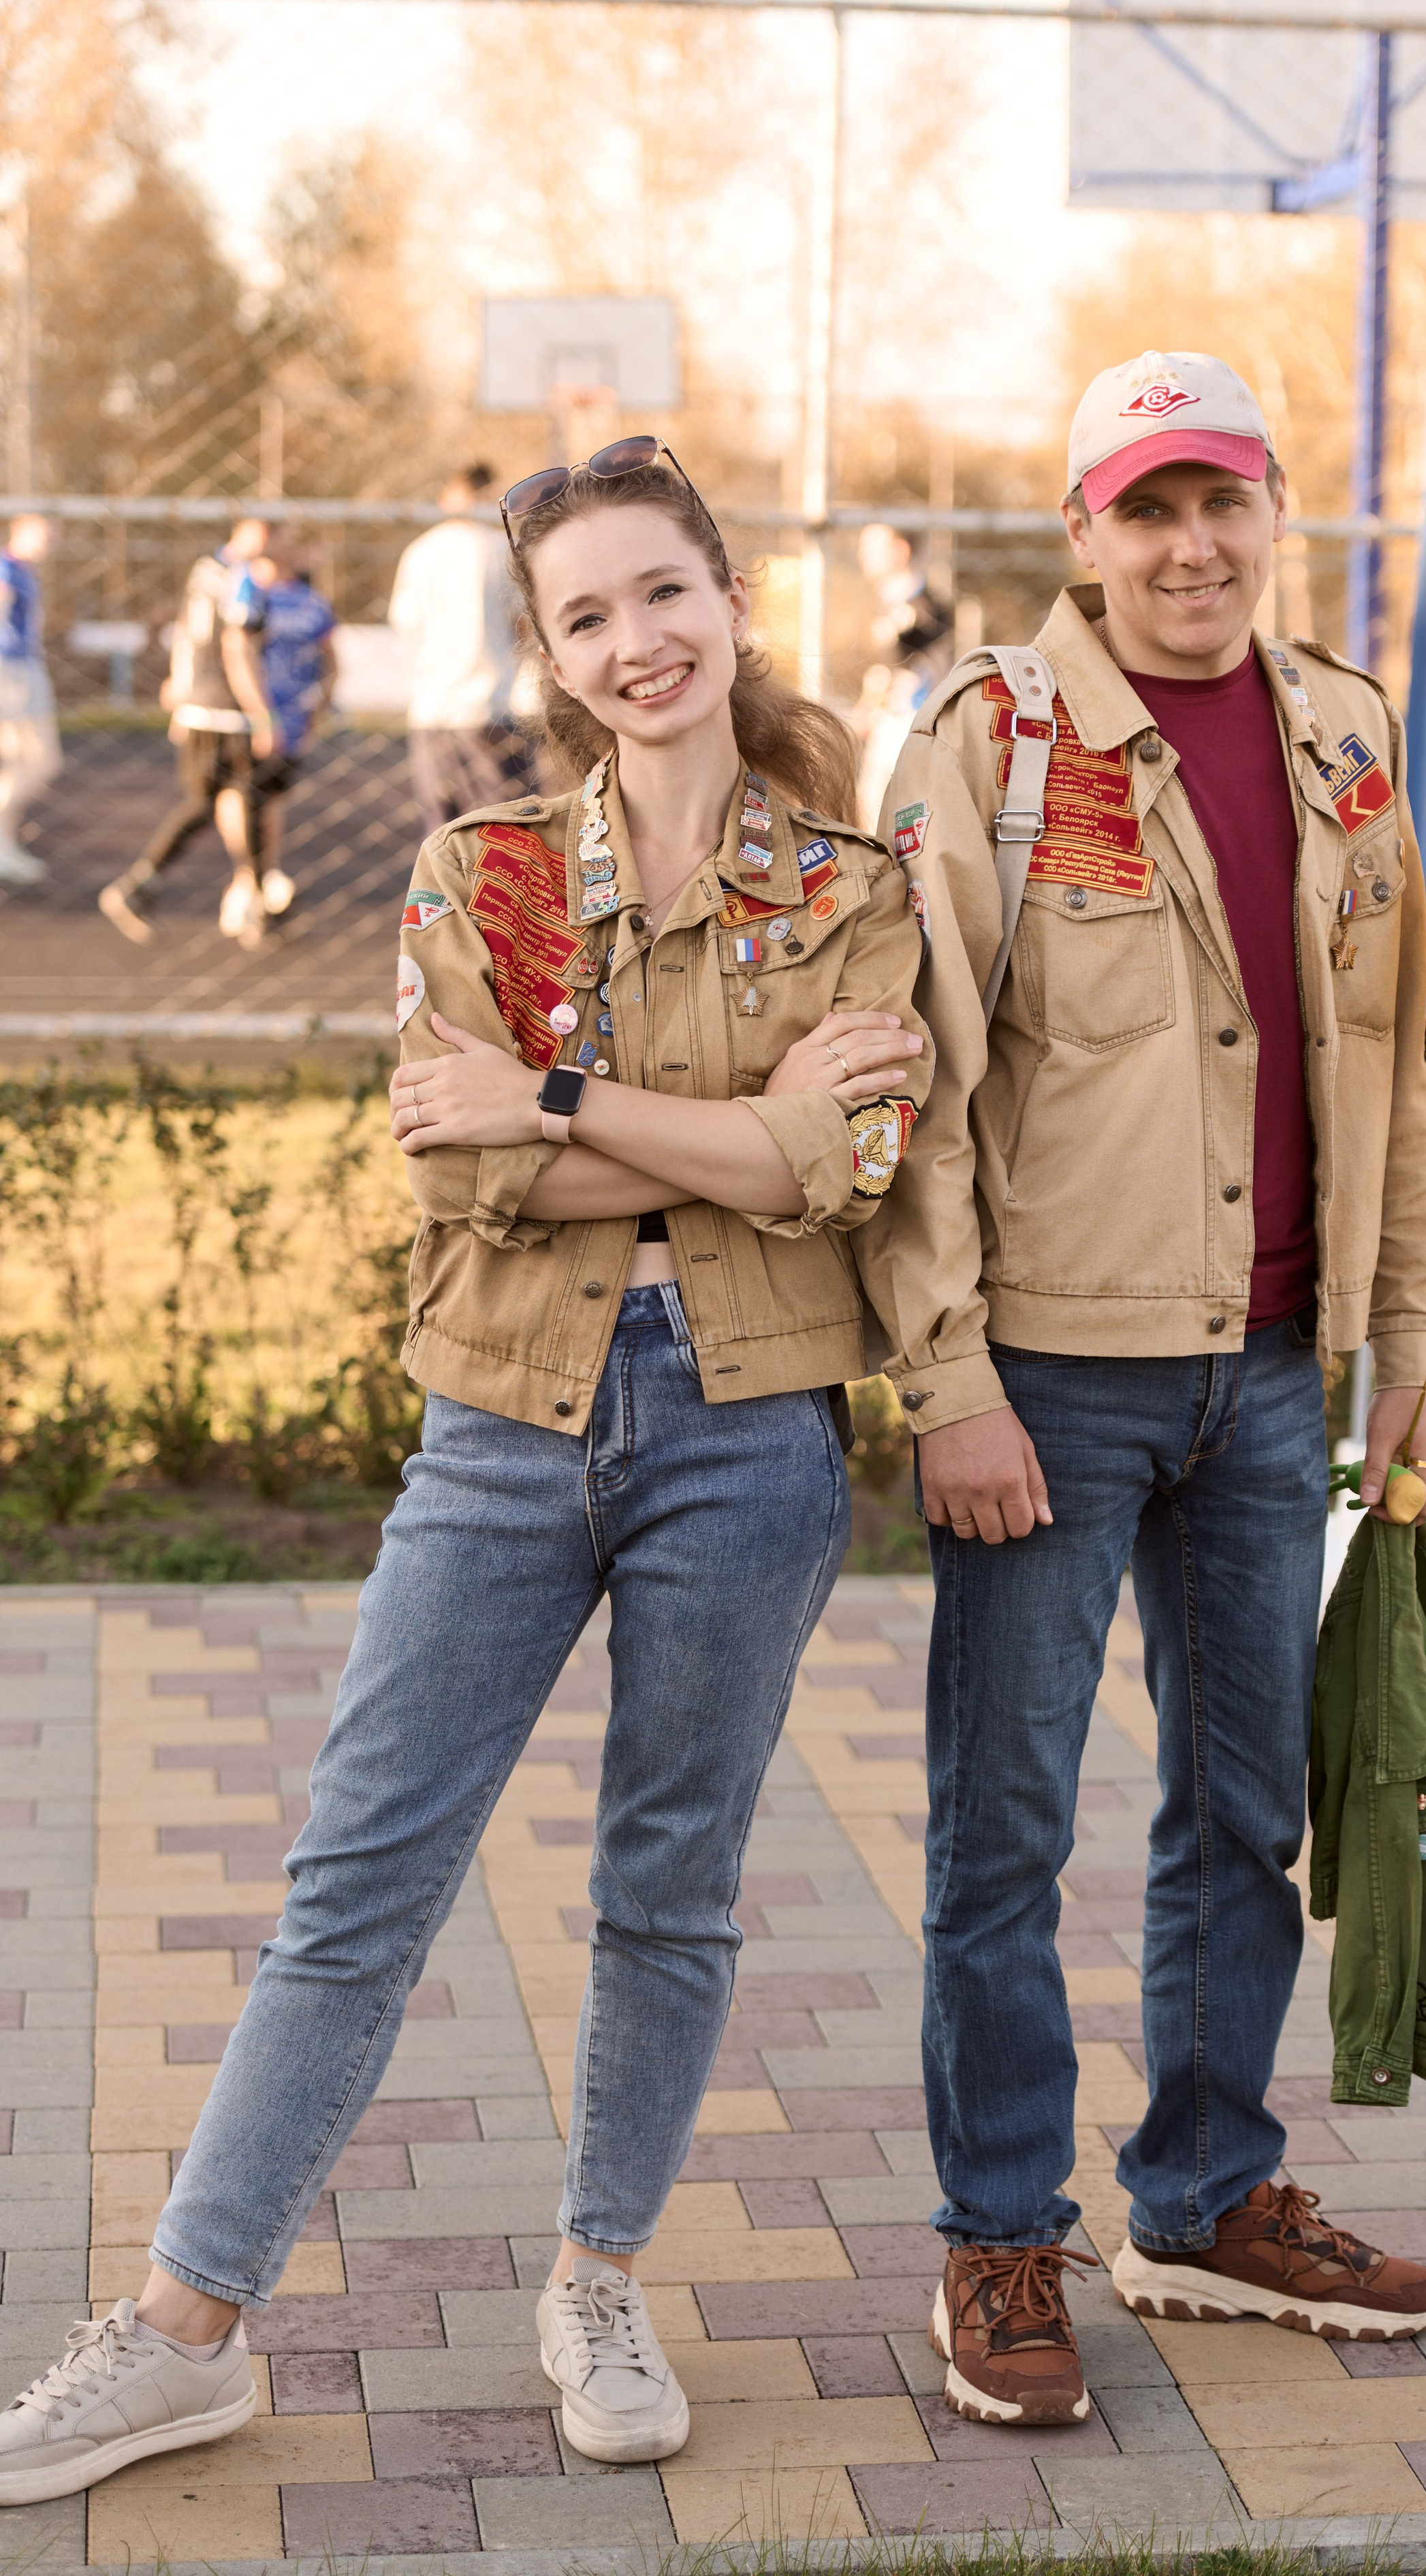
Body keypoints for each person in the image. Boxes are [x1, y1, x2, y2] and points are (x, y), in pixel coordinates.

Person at [0, 438, 929, 2508]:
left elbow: (843, 1167)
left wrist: (570, 1091)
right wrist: (729, 1124)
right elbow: (465, 1153)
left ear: (725, 597)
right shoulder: (480, 871)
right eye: (587, 614)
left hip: (752, 1433)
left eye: (660, 594)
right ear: (550, 653)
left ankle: (599, 2277)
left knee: (665, 1884)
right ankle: (181, 2329)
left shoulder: (848, 886)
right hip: (509, 1419)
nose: (635, 640)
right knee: (359, 1873)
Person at [853, 350, 1426, 2428]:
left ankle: (1202, 2192)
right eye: (1148, 508)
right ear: (1081, 532)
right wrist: (945, 1379)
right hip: (1048, 1379)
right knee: (1000, 1831)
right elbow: (911, 1088)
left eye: (1226, 503)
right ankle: (998, 2230)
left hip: (1274, 1380)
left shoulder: (1343, 735)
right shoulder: (990, 745)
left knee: (1240, 1807)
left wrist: (1413, 1346)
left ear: (1268, 513)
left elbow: (1394, 1064)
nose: (1191, 546)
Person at [98, 515, 281, 947]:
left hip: (200, 704)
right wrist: (261, 712)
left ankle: (246, 898)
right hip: (226, 709)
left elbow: (184, 634)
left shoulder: (204, 571)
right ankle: (143, 884)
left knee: (228, 800)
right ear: (257, 532)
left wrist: (180, 688)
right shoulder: (241, 578)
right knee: (225, 801)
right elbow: (237, 648)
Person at [390, 462, 533, 833]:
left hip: (433, 708)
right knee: (504, 828)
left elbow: (405, 624)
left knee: (443, 831)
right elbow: (523, 625)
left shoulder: (419, 551)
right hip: (491, 704)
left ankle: (446, 893)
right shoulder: (498, 547)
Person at [228, 530, 338, 924]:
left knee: (270, 800)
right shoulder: (251, 596)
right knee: (245, 798)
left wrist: (317, 710)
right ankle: (250, 882)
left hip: (293, 718)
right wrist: (260, 714)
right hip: (252, 716)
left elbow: (332, 661)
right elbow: (238, 653)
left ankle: (260, 878)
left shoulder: (314, 603)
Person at [852, 521, 955, 829]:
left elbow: (901, 662)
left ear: (900, 550)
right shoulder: (883, 603)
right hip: (887, 723)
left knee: (908, 818)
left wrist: (872, 704)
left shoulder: (926, 607)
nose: (863, 556)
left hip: (912, 723)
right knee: (870, 814)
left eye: (873, 548)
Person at [0, 513, 60, 885]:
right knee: (40, 761)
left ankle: (4, 844)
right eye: (43, 534)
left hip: (23, 668)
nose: (50, 542)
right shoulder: (7, 569)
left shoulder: (23, 570)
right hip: (13, 671)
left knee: (23, 762)